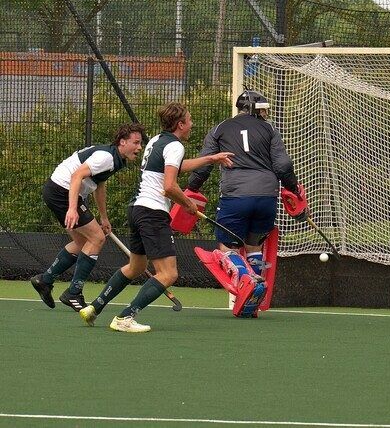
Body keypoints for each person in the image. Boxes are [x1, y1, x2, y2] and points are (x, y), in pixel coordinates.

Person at [79, 103, 233, 332]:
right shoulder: (175, 146)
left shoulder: (157, 141)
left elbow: (175, 168)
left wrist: (211, 159)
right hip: (152, 212)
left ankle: (94, 308)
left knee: (136, 266)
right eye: (189, 120)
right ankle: (125, 318)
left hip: (137, 208)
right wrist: (188, 204)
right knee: (169, 273)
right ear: (180, 124)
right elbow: (169, 186)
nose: (192, 124)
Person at [185, 89, 304, 276]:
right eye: (263, 110)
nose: (265, 113)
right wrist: (293, 189)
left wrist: (192, 188)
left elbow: (204, 164)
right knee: (254, 246)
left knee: (228, 247)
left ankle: (244, 280)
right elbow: (283, 165)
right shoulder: (270, 129)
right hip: (266, 197)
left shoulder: (219, 129)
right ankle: (255, 282)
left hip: (235, 196)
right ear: (253, 109)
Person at [31, 123, 145, 312]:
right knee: (97, 238)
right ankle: (73, 292)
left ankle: (45, 280)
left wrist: (104, 217)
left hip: (58, 190)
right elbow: (77, 176)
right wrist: (73, 209)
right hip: (63, 191)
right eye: (136, 143)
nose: (139, 148)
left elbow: (98, 185)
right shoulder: (106, 157)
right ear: (122, 142)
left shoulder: (114, 158)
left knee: (83, 242)